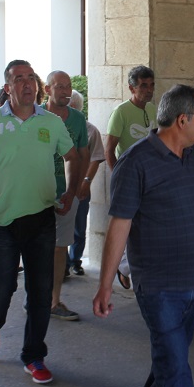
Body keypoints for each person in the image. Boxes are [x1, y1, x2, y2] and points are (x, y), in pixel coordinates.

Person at [92, 84, 194, 387]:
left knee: (171, 354)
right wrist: (105, 285)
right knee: (177, 365)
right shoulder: (136, 162)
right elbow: (119, 225)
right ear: (182, 120)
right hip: (159, 285)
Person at [0, 59, 81, 385]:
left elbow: (72, 156)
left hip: (42, 220)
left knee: (40, 292)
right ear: (8, 87)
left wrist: (70, 191)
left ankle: (34, 355)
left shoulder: (51, 122)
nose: (27, 83)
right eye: (19, 79)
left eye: (30, 78)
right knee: (1, 290)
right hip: (1, 224)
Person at [43, 71, 89, 322]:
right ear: (47, 89)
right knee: (37, 248)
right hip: (37, 193)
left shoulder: (78, 119)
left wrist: (77, 187)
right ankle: (36, 297)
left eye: (68, 86)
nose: (65, 91)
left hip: (66, 193)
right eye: (59, 86)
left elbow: (82, 154)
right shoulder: (35, 115)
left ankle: (54, 301)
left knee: (60, 248)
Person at [105, 64, 156, 288]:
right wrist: (119, 176)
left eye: (151, 85)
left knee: (146, 224)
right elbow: (109, 149)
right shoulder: (121, 112)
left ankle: (131, 267)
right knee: (127, 225)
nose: (148, 90)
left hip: (150, 178)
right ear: (131, 88)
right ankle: (124, 266)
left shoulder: (153, 110)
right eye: (143, 85)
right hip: (128, 178)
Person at [67, 89, 103, 276]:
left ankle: (75, 261)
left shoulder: (91, 130)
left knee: (79, 227)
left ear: (74, 107)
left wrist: (86, 181)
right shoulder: (56, 126)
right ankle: (63, 264)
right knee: (60, 227)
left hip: (81, 185)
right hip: (60, 186)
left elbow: (96, 158)